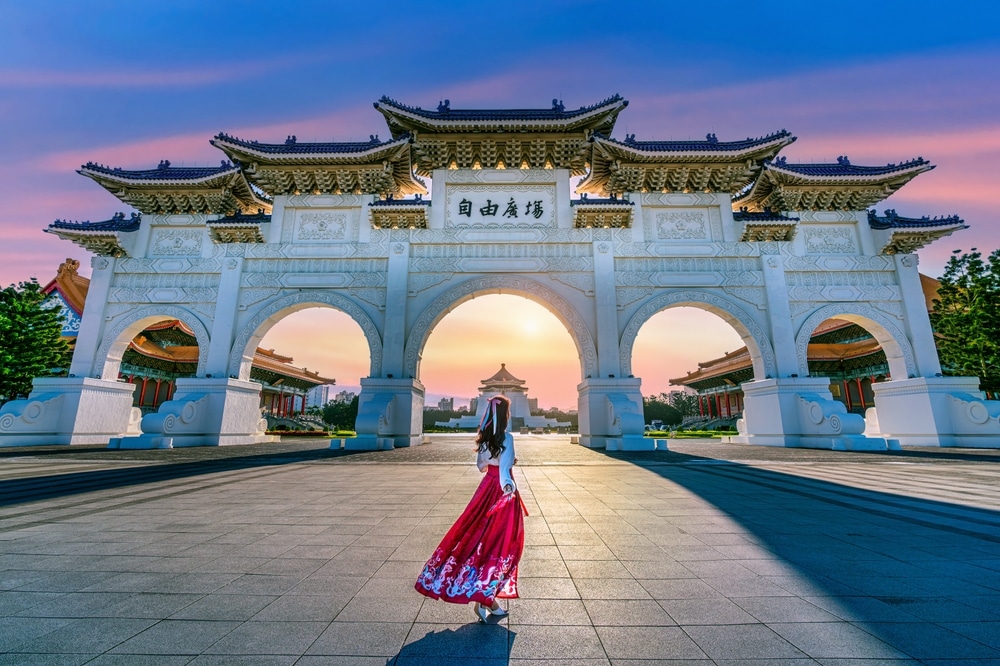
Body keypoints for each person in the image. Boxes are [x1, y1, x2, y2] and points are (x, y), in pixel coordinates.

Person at [414, 394, 527, 623]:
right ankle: (486, 599)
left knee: (477, 540)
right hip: (502, 496)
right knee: (502, 545)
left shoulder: (485, 439)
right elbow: (505, 471)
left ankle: (486, 600)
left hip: (484, 490)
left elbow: (481, 467)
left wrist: (496, 464)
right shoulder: (508, 438)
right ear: (505, 415)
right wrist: (509, 485)